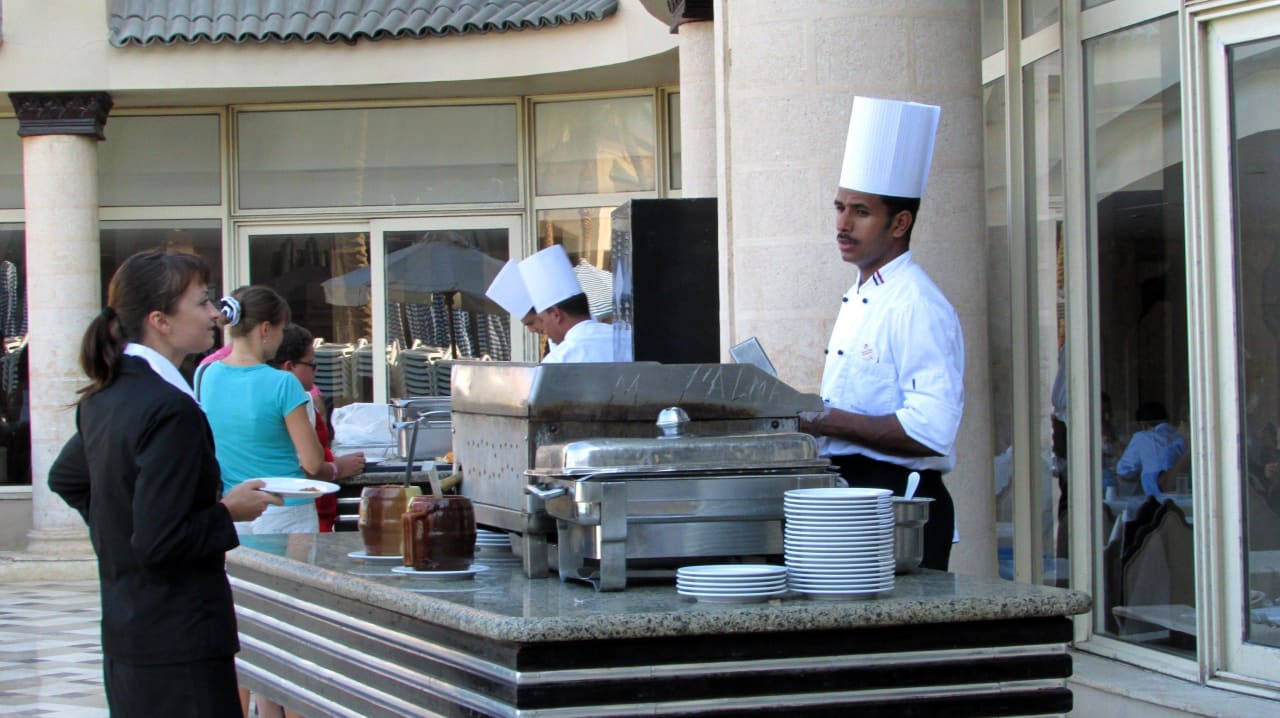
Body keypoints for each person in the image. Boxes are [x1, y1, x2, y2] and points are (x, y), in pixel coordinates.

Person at [47, 248, 280, 717]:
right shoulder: (168, 408)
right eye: (201, 301)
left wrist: (121, 537)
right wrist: (228, 511)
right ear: (161, 321)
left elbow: (68, 479)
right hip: (179, 640)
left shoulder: (108, 394)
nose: (215, 313)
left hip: (130, 630)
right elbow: (161, 539)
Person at [797, 96, 964, 571]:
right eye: (839, 208)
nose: (843, 224)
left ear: (900, 223)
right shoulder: (861, 293)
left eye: (861, 212)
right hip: (855, 497)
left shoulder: (917, 304)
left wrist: (824, 420)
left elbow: (931, 431)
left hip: (900, 506)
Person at [197, 285, 335, 535]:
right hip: (287, 509)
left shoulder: (207, 375)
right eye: (281, 330)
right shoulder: (284, 383)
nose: (281, 338)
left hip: (236, 506)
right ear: (265, 329)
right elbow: (313, 463)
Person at [270, 322, 365, 531]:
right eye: (311, 365)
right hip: (298, 508)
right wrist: (338, 468)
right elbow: (310, 465)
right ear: (290, 367)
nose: (315, 371)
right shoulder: (298, 400)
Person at [518, 244, 616, 363]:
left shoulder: (558, 360)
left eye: (542, 320)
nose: (544, 329)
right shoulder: (628, 338)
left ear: (556, 314)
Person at [1116, 401, 1188, 499]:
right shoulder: (1181, 435)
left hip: (1157, 500)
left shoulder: (1142, 437)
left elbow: (1123, 471)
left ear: (1142, 425)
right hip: (1185, 497)